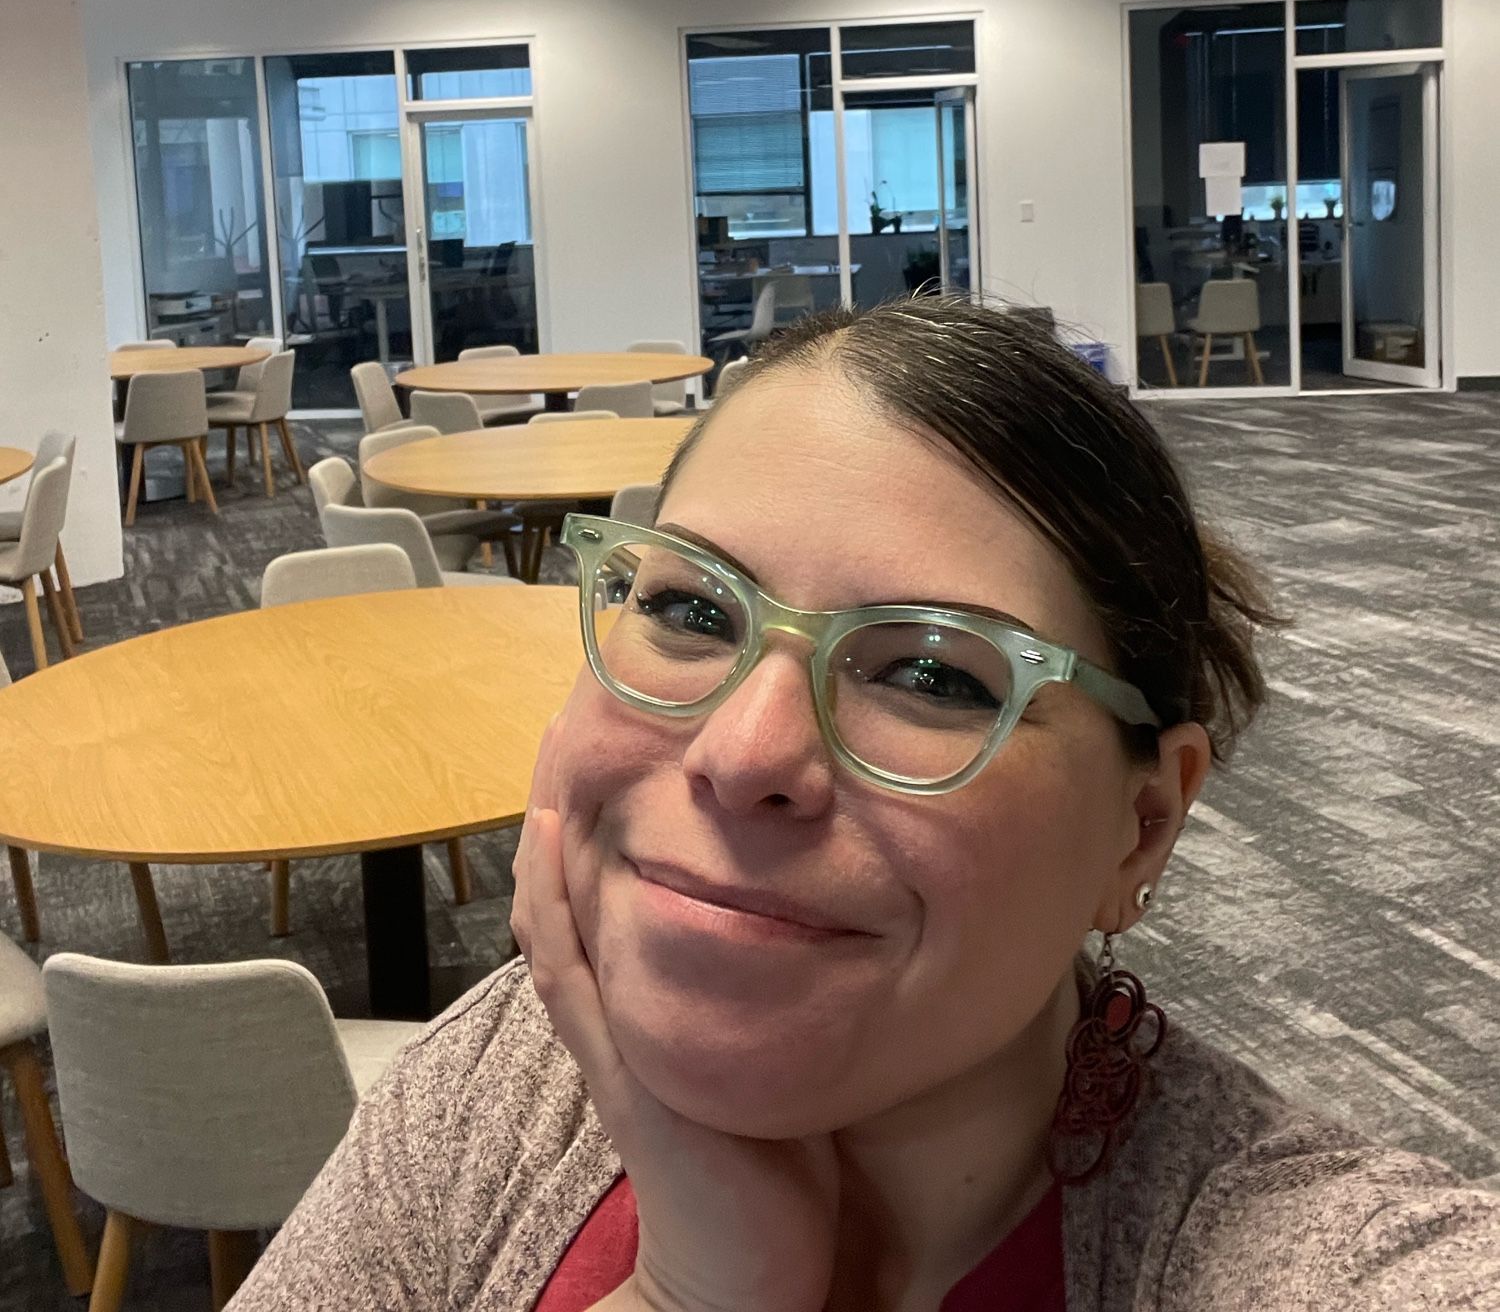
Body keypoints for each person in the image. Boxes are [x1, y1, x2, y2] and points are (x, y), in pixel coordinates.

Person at [234, 299, 1500, 1311]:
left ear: (1142, 825)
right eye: (688, 607)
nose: (745, 749)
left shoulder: (1326, 1262)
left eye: (938, 674)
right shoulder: (512, 1065)